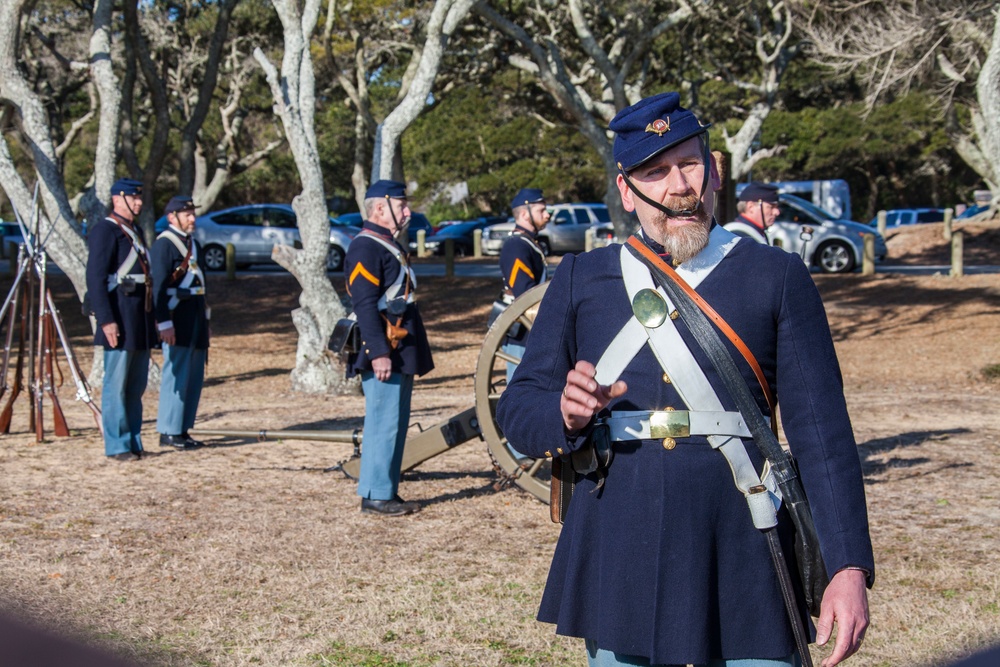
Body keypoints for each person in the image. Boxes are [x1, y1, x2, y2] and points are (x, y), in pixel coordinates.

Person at [496, 92, 874, 667]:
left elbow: (822, 435)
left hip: (746, 545)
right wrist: (566, 415)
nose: (680, 187)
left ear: (714, 170)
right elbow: (518, 411)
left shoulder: (777, 276)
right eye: (655, 172)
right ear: (627, 190)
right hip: (623, 547)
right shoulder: (581, 277)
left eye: (690, 164)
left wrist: (846, 567)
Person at [344, 180, 434, 517]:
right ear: (380, 208)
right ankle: (375, 494)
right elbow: (365, 304)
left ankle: (385, 489)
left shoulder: (385, 244)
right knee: (383, 421)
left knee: (395, 421)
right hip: (385, 347)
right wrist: (378, 351)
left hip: (399, 345)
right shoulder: (365, 247)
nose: (408, 210)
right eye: (401, 204)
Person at [86, 178, 159, 462]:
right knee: (115, 385)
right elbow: (95, 277)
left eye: (139, 197)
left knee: (135, 386)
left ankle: (133, 441)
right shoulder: (106, 230)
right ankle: (116, 445)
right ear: (118, 199)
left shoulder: (134, 230)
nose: (139, 202)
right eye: (133, 197)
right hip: (119, 315)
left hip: (139, 317)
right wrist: (106, 320)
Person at [151, 195, 209, 450]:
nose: (192, 218)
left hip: (195, 312)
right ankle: (168, 429)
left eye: (193, 213)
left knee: (193, 375)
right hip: (176, 315)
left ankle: (183, 428)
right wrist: (163, 322)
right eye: (187, 214)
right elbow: (159, 288)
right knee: (176, 375)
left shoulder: (191, 243)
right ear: (172, 217)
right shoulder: (165, 244)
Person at [498, 188, 551, 380]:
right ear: (523, 214)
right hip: (522, 333)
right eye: (541, 210)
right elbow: (525, 295)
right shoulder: (516, 246)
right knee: (520, 386)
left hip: (531, 330)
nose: (547, 215)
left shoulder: (529, 243)